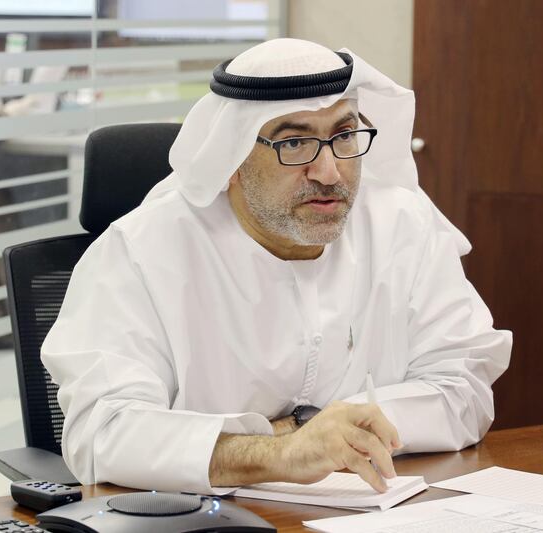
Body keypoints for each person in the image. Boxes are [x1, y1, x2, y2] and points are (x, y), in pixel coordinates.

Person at [41, 38, 512, 495]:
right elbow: (102, 433)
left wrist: (321, 429)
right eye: (295, 143)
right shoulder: (141, 252)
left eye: (344, 136)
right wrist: (280, 453)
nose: (329, 172)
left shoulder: (402, 223)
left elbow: (464, 386)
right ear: (231, 158)